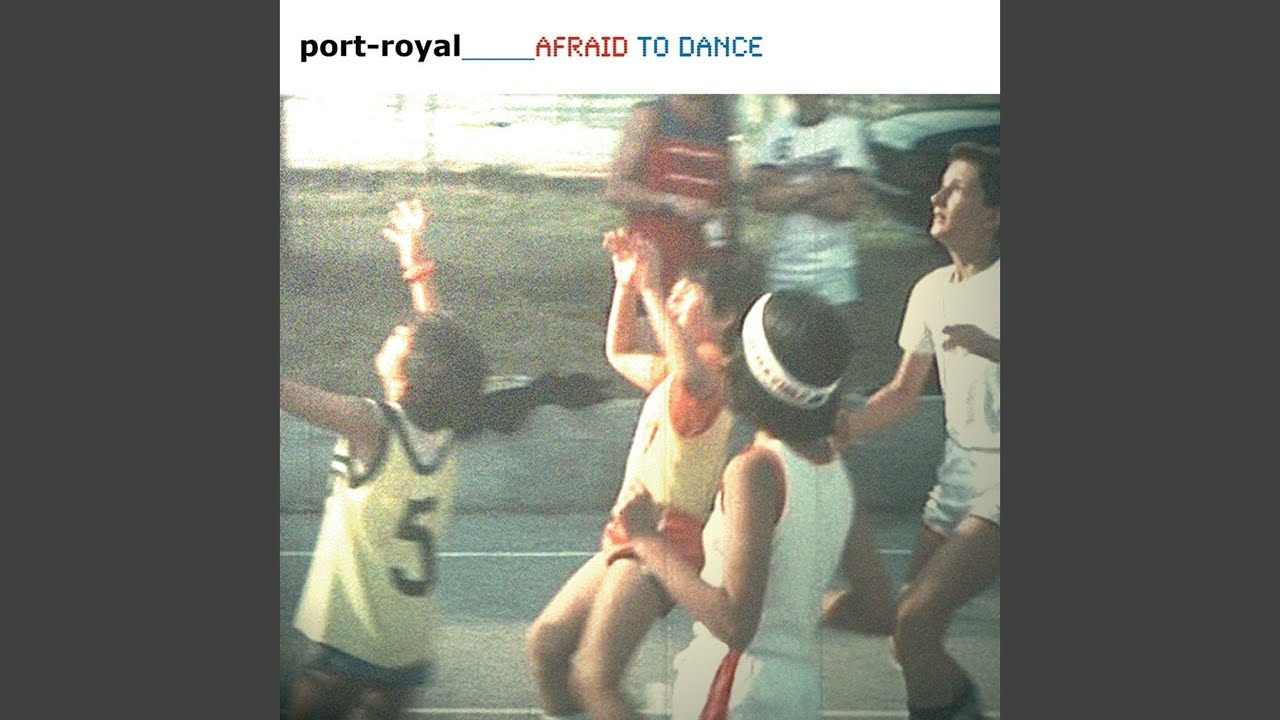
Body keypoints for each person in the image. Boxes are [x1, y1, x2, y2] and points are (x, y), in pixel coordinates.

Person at [281, 199, 605, 720]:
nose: (395, 331)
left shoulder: (370, 426)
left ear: (408, 375)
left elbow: (290, 395)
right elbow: (444, 344)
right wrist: (415, 261)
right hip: (407, 646)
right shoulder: (448, 427)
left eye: (401, 337)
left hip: (349, 638)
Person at [613, 290, 896, 720]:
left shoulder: (755, 471)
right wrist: (792, 605)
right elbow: (880, 613)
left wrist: (648, 542)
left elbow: (734, 624)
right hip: (799, 693)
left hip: (732, 689)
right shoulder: (836, 470)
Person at [525, 227, 764, 720]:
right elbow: (618, 352)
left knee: (596, 679)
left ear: (723, 318)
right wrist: (627, 286)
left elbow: (693, 375)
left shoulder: (714, 373)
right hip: (630, 530)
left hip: (667, 536)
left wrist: (652, 289)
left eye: (685, 294)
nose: (672, 298)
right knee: (546, 644)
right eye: (670, 291)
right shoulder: (671, 373)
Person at [834, 142, 1000, 720]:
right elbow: (903, 393)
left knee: (917, 620)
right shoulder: (930, 291)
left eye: (956, 189)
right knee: (905, 636)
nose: (937, 197)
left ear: (993, 215)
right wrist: (839, 432)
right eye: (940, 186)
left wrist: (994, 347)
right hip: (958, 475)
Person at [750, 95, 874, 334]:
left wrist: (786, 193)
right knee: (782, 348)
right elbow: (762, 200)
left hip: (835, 272)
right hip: (785, 272)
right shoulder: (775, 132)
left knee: (835, 346)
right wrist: (816, 187)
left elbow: (845, 206)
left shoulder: (847, 129)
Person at [606, 95, 739, 295]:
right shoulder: (650, 117)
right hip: (651, 265)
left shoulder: (721, 126)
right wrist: (671, 203)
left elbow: (726, 202)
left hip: (703, 271)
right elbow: (616, 188)